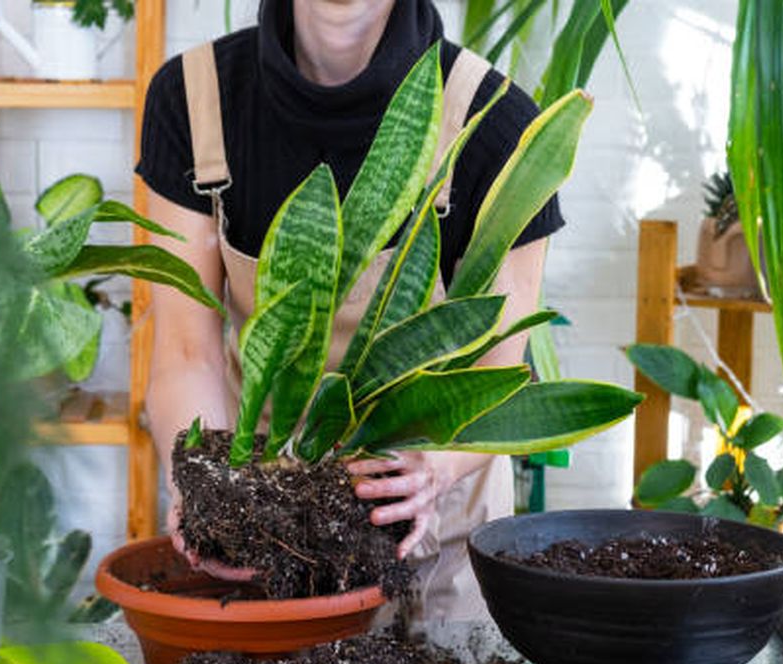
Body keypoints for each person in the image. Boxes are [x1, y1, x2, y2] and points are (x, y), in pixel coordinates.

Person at [136, 0, 563, 622]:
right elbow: (185, 349)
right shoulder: (196, 99)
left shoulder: (496, 124)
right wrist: (208, 492)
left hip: (428, 521)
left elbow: (500, 375)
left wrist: (432, 471)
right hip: (264, 503)